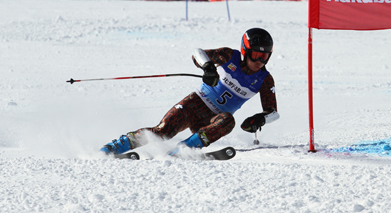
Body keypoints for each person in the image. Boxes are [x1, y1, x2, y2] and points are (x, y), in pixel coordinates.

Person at [100, 28, 280, 156]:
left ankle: (183, 150)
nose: (260, 61)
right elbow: (197, 53)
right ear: (245, 51)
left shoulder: (264, 79)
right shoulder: (229, 56)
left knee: (227, 121)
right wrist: (208, 68)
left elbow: (273, 112)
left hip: (212, 120)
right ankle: (113, 148)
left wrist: (260, 119)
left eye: (264, 57)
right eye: (256, 55)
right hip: (194, 105)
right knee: (162, 132)